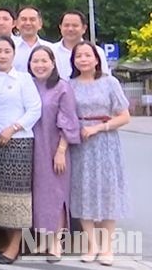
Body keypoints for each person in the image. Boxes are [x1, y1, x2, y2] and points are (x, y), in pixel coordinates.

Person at [69, 41, 130, 265]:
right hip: (80, 143)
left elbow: (124, 116)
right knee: (82, 190)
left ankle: (107, 247)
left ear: (96, 59)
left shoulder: (109, 82)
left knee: (107, 192)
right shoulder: (70, 85)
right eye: (79, 56)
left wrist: (98, 128)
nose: (83, 59)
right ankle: (91, 244)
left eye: (88, 55)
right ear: (73, 61)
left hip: (105, 141)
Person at [0, 36, 42, 264]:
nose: (2, 55)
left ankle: (15, 246)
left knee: (16, 197)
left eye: (7, 51)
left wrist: (13, 128)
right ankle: (7, 243)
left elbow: (35, 109)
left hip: (18, 142)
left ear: (13, 54)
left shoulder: (23, 79)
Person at [27, 46, 80, 262]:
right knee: (38, 194)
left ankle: (56, 242)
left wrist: (61, 151)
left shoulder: (62, 88)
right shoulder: (27, 85)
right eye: (35, 61)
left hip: (54, 148)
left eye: (44, 61)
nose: (40, 65)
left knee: (56, 194)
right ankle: (43, 240)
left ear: (53, 63)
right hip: (31, 148)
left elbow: (69, 121)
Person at [52, 10, 109, 79]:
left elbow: (105, 79)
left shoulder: (97, 51)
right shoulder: (50, 51)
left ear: (84, 28)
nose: (70, 29)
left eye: (75, 25)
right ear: (60, 27)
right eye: (66, 25)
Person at [13, 6, 52, 72]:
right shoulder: (9, 48)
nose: (28, 23)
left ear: (40, 24)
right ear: (17, 24)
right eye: (24, 19)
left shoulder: (51, 48)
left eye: (32, 19)